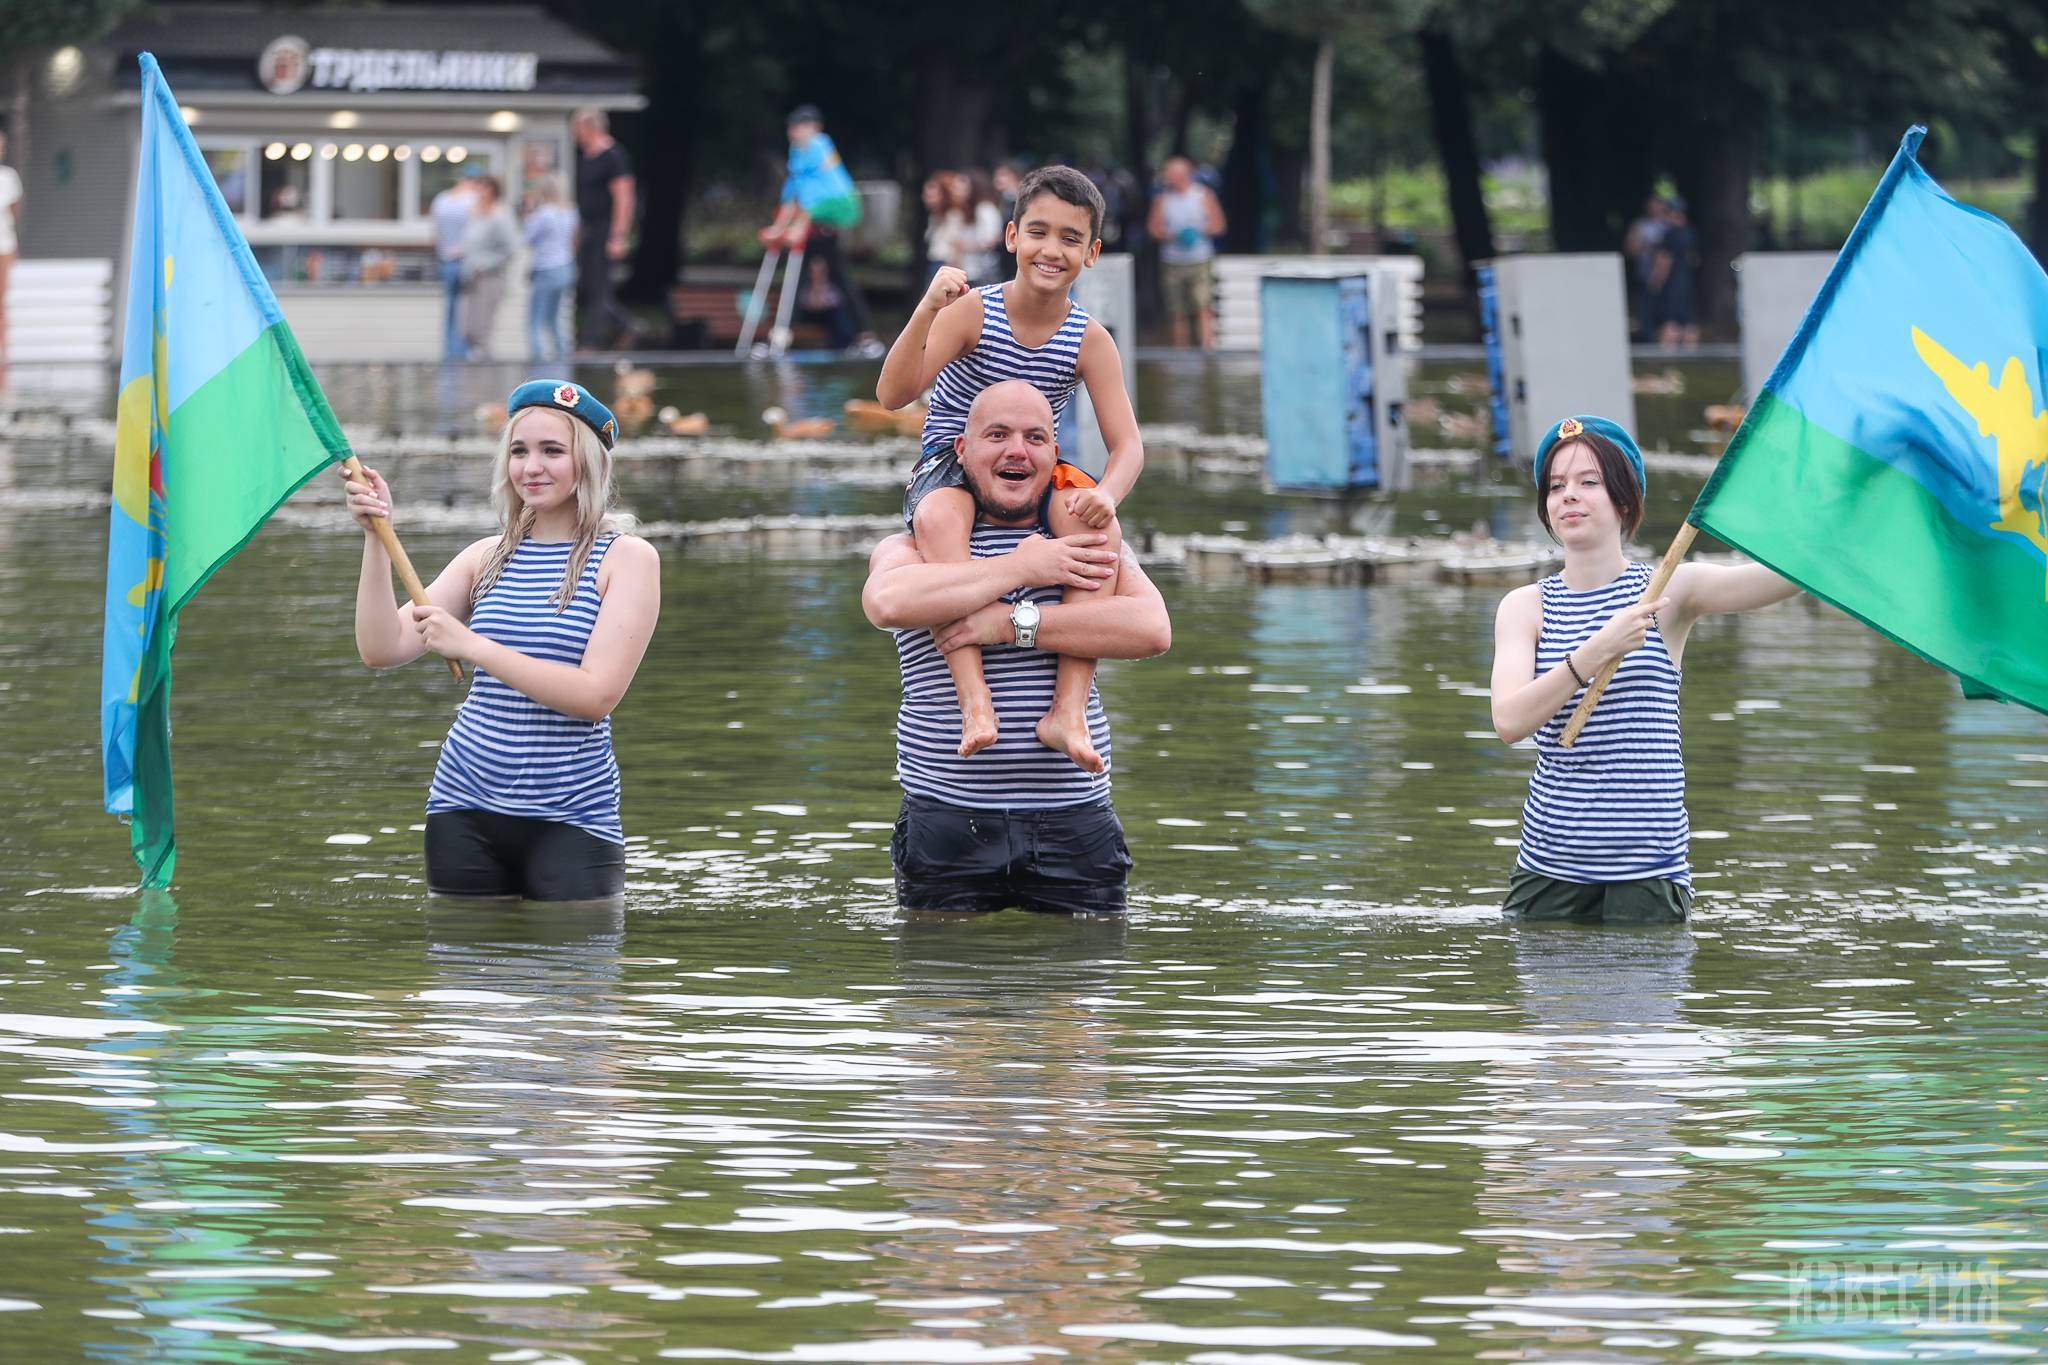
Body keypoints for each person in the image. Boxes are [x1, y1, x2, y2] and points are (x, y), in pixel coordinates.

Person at [340, 381, 661, 902]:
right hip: (461, 807)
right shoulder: (486, 556)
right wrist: (376, 539)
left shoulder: (628, 559)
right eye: (519, 451)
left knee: (573, 976)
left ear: (589, 462)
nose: (531, 467)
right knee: (466, 975)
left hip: (571, 818)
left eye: (552, 451)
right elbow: (381, 649)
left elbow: (595, 696)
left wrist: (473, 646)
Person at [861, 380, 1171, 915]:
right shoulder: (915, 546)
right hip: (949, 817)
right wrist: (1022, 569)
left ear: (1054, 455)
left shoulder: (1085, 544)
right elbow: (887, 603)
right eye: (997, 435)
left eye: (1035, 438)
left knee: (1079, 985)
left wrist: (1012, 623)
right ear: (962, 449)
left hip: (1075, 818)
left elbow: (1151, 630)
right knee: (940, 983)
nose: (1016, 451)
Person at [875, 165, 1144, 773]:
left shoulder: (1088, 339)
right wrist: (927, 308)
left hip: (1036, 470)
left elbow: (1127, 443)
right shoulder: (974, 312)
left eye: (1070, 239)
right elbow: (893, 394)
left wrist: (1109, 494)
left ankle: (1067, 709)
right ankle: (975, 700)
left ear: (1092, 253)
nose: (1052, 251)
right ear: (1012, 237)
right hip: (954, 461)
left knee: (1098, 533)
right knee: (943, 515)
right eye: (1040, 233)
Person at [1490, 415, 1800, 924]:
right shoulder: (1525, 607)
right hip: (1549, 869)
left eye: (1589, 482)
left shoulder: (1669, 593)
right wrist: (1595, 651)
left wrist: (1851, 505)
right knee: (1549, 1004)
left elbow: (1783, 580)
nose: (1569, 495)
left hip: (1649, 873)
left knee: (1642, 999)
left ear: (1624, 500)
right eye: (1556, 486)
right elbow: (1508, 721)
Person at [760, 104, 882, 357]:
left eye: (801, 127)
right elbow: (793, 192)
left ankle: (865, 336)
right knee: (801, 278)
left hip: (832, 211)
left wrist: (794, 226)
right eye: (792, 128)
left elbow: (814, 196)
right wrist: (780, 226)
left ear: (814, 127)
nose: (795, 132)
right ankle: (781, 335)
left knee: (836, 278)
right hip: (815, 222)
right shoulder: (797, 152)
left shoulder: (818, 145)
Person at [571, 107, 637, 351]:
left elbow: (624, 197)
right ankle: (625, 324)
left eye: (577, 129)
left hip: (606, 228)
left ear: (589, 128)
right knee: (587, 283)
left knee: (601, 285)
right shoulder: (586, 157)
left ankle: (592, 341)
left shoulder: (614, 156)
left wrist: (618, 235)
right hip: (588, 228)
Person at [1147, 155, 1225, 349]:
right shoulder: (1162, 199)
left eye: (1173, 173)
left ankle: (1207, 349)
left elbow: (1219, 225)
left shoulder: (1203, 195)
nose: (1169, 177)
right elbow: (1153, 229)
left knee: (1203, 306)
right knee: (1177, 311)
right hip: (1172, 261)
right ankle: (1180, 351)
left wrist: (1197, 233)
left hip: (1200, 260)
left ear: (1186, 174)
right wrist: (1171, 235)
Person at [457, 175, 517, 361]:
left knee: (482, 328)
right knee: (466, 326)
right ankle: (475, 361)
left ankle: (484, 369)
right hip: (470, 277)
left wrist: (485, 264)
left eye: (484, 188)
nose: (480, 192)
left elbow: (510, 249)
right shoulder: (473, 214)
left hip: (490, 277)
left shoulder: (500, 216)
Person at [523, 175, 577, 363]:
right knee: (554, 317)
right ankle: (562, 354)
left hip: (546, 267)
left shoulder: (544, 214)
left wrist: (529, 212)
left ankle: (538, 359)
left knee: (535, 320)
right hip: (566, 266)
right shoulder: (570, 212)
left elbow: (528, 238)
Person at [429, 171, 476, 359]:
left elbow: (436, 232)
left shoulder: (441, 200)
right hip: (465, 260)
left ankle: (449, 349)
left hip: (446, 259)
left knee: (450, 307)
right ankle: (462, 351)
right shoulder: (472, 201)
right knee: (466, 309)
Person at [1648, 196, 1698, 349]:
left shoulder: (1670, 234)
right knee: (1688, 320)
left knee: (1670, 319)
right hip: (1687, 281)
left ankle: (1667, 353)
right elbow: (1694, 259)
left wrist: (1656, 280)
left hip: (1672, 282)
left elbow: (1665, 260)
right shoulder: (1690, 232)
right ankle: (1692, 353)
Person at [0, 131, 19, 362]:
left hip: (4, 244)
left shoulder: (8, 177)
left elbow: (14, 211)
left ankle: (4, 354)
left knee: (2, 301)